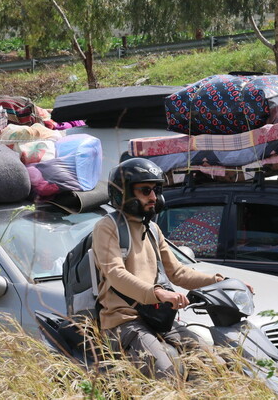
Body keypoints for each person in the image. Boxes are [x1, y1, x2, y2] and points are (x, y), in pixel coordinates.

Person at [92, 158, 225, 379]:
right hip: (125, 321)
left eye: (156, 190)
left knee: (214, 365)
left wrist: (220, 281)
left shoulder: (152, 228)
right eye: (145, 190)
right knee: (167, 372)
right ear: (124, 193)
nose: (154, 197)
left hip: (158, 317)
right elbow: (115, 274)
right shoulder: (107, 227)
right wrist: (157, 293)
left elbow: (178, 272)